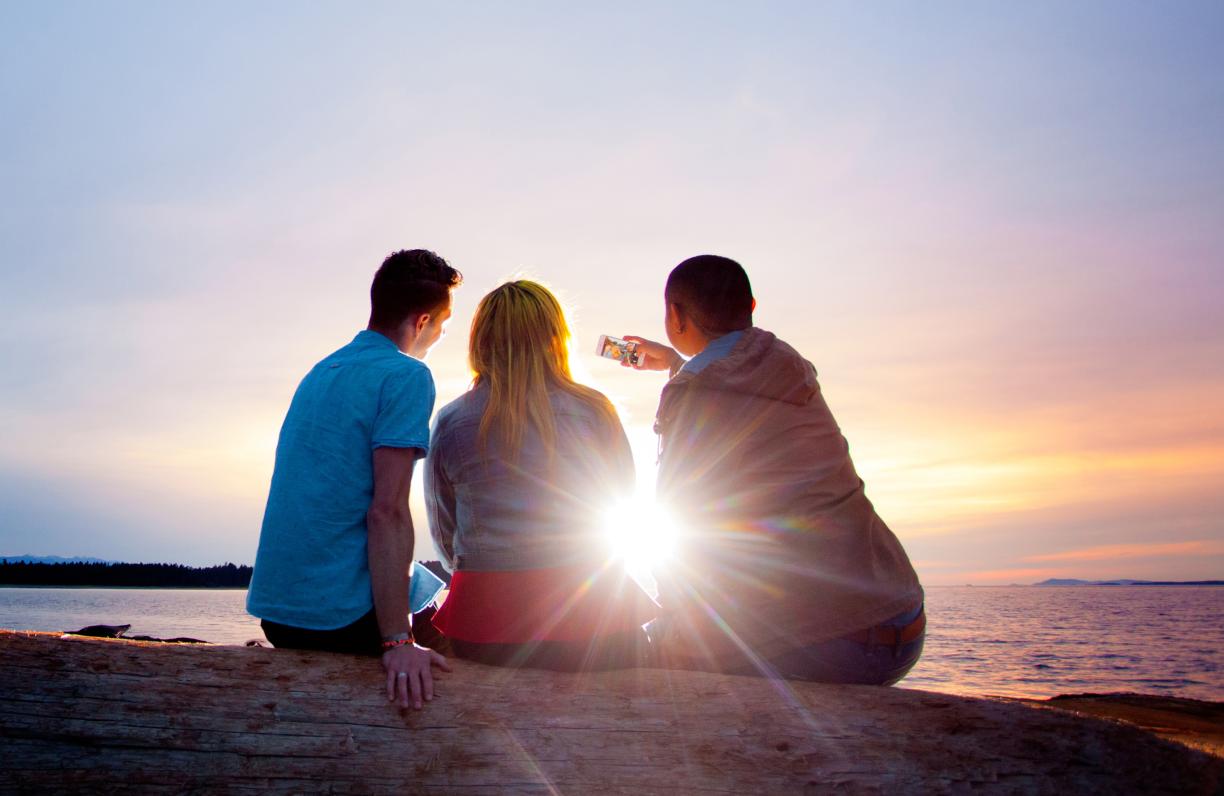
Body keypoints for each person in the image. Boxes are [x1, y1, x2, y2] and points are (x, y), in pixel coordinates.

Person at [622, 255, 925, 685]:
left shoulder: (690, 397)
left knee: (639, 653)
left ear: (675, 315)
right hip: (900, 620)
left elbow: (678, 527)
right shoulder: (789, 367)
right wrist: (677, 361)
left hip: (829, 643)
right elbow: (735, 387)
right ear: (752, 306)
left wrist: (673, 634)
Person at [247, 249, 461, 709]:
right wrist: (398, 643)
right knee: (459, 653)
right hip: (335, 616)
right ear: (423, 321)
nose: (441, 336)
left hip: (277, 610)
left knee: (425, 586)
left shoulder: (322, 370)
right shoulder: (405, 375)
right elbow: (387, 512)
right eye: (444, 324)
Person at [425, 280, 658, 671]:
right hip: (593, 607)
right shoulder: (595, 410)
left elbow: (446, 536)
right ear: (556, 337)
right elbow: (624, 502)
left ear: (481, 342)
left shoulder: (451, 422)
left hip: (488, 617)